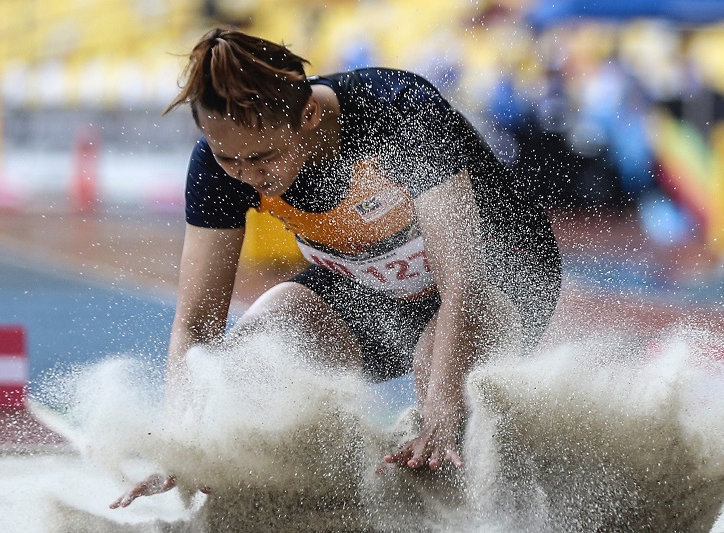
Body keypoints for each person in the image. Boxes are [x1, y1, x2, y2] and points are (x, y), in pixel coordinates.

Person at [110, 27, 561, 509]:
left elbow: (463, 286)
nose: (245, 175)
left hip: (499, 280)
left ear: (308, 115)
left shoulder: (397, 111)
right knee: (251, 360)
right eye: (227, 158)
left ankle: (489, 484)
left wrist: (441, 415)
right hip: (368, 291)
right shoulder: (221, 166)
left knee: (441, 389)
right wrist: (181, 443)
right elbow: (198, 323)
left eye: (262, 158)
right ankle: (328, 493)